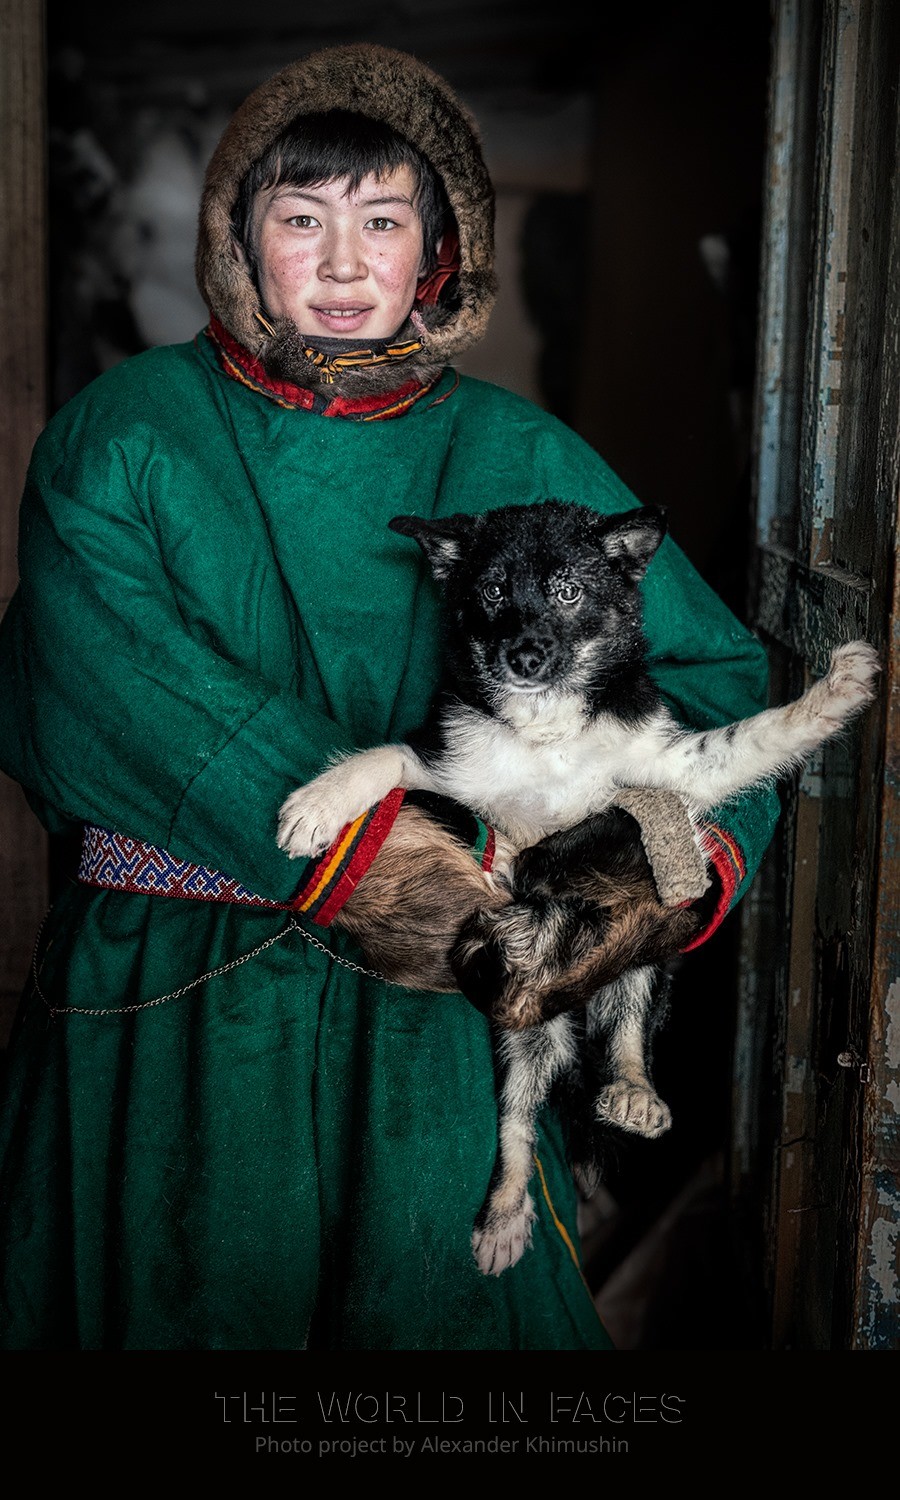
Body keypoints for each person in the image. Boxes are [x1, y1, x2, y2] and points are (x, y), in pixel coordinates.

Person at [0, 43, 779, 1351]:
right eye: (302, 219)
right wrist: (389, 872)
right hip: (167, 1006)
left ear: (441, 250)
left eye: (384, 219)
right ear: (240, 239)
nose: (346, 263)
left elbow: (710, 683)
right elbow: (108, 678)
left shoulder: (521, 455)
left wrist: (624, 882)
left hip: (440, 1024)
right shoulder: (124, 435)